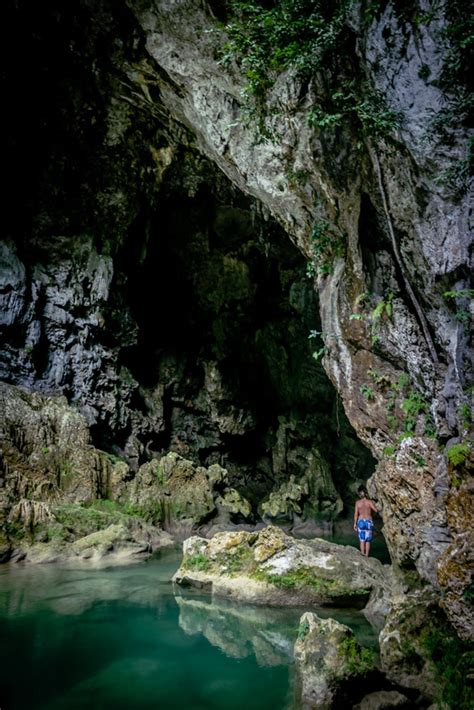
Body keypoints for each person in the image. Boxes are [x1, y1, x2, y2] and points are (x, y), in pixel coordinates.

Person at [353, 486, 378, 557]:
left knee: (362, 539)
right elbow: (376, 510)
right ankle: (366, 555)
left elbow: (356, 514)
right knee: (368, 540)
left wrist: (355, 523)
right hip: (368, 522)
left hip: (360, 521)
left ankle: (362, 554)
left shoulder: (357, 503)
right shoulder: (369, 502)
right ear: (366, 493)